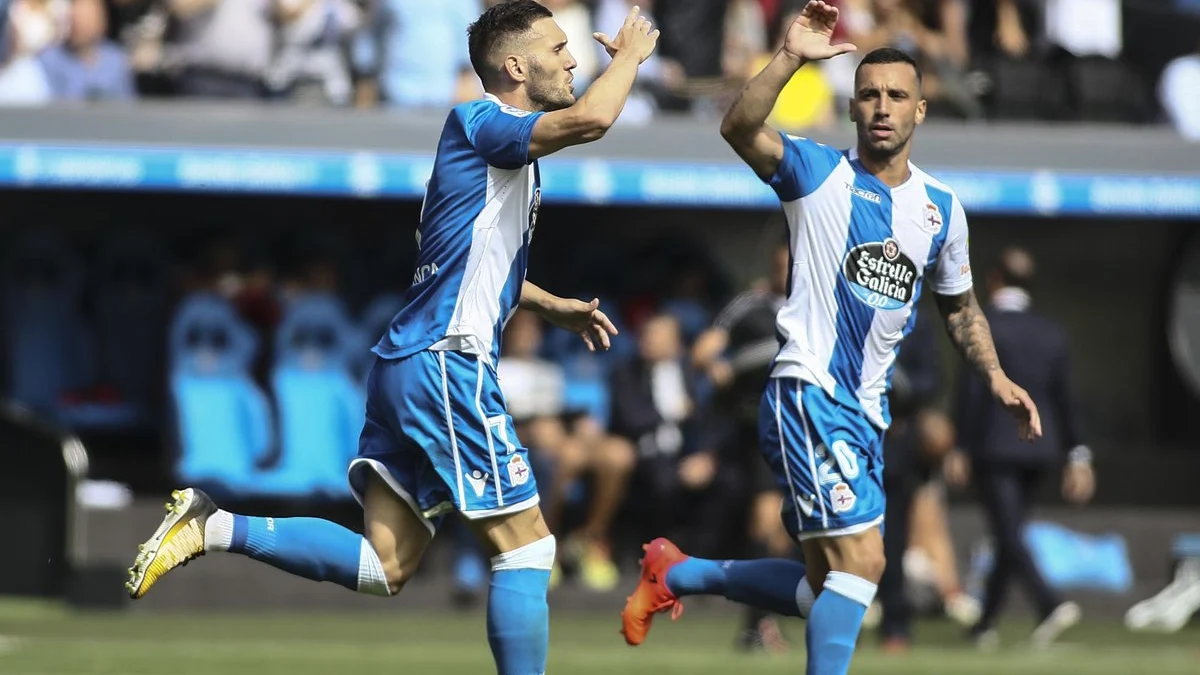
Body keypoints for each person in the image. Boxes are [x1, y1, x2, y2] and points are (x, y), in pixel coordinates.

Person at [125, 3, 659, 674]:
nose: (574, 60)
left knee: (386, 564)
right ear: (516, 65)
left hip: (411, 363)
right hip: (444, 363)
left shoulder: (491, 150)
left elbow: (473, 263)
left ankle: (212, 523)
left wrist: (552, 304)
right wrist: (633, 57)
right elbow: (595, 119)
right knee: (527, 549)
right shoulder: (482, 121)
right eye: (558, 49)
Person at [619, 4, 1042, 675]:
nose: (882, 107)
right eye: (869, 95)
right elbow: (738, 126)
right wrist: (787, 56)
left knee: (827, 587)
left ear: (920, 112)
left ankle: (680, 572)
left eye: (897, 96)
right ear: (851, 110)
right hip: (809, 389)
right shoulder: (816, 173)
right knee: (865, 563)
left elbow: (960, 307)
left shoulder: (942, 210)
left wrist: (993, 374)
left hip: (867, 415)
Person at [944, 246, 1095, 649]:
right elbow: (1067, 400)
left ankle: (1049, 603)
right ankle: (984, 626)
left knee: (1008, 535)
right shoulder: (1052, 332)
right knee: (1007, 535)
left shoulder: (985, 328)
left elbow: (973, 394)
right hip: (1041, 448)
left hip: (995, 448)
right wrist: (1078, 455)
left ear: (994, 279)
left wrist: (958, 446)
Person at [691, 240, 798, 652]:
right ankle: (756, 624)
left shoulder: (821, 303)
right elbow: (703, 351)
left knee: (790, 531)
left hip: (808, 429)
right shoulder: (749, 305)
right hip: (762, 431)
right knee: (766, 526)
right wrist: (716, 367)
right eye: (780, 264)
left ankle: (764, 621)